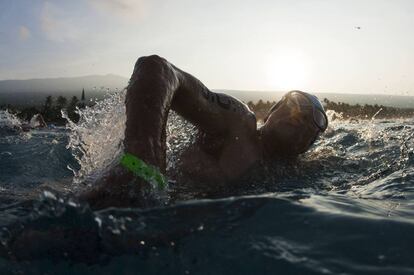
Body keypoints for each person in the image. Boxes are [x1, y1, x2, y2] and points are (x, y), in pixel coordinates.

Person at [80, 55, 328, 209]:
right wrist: (144, 156)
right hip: (115, 200)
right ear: (273, 110)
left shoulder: (300, 174)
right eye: (298, 105)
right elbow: (156, 68)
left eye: (316, 123)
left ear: (310, 144)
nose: (304, 119)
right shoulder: (238, 122)